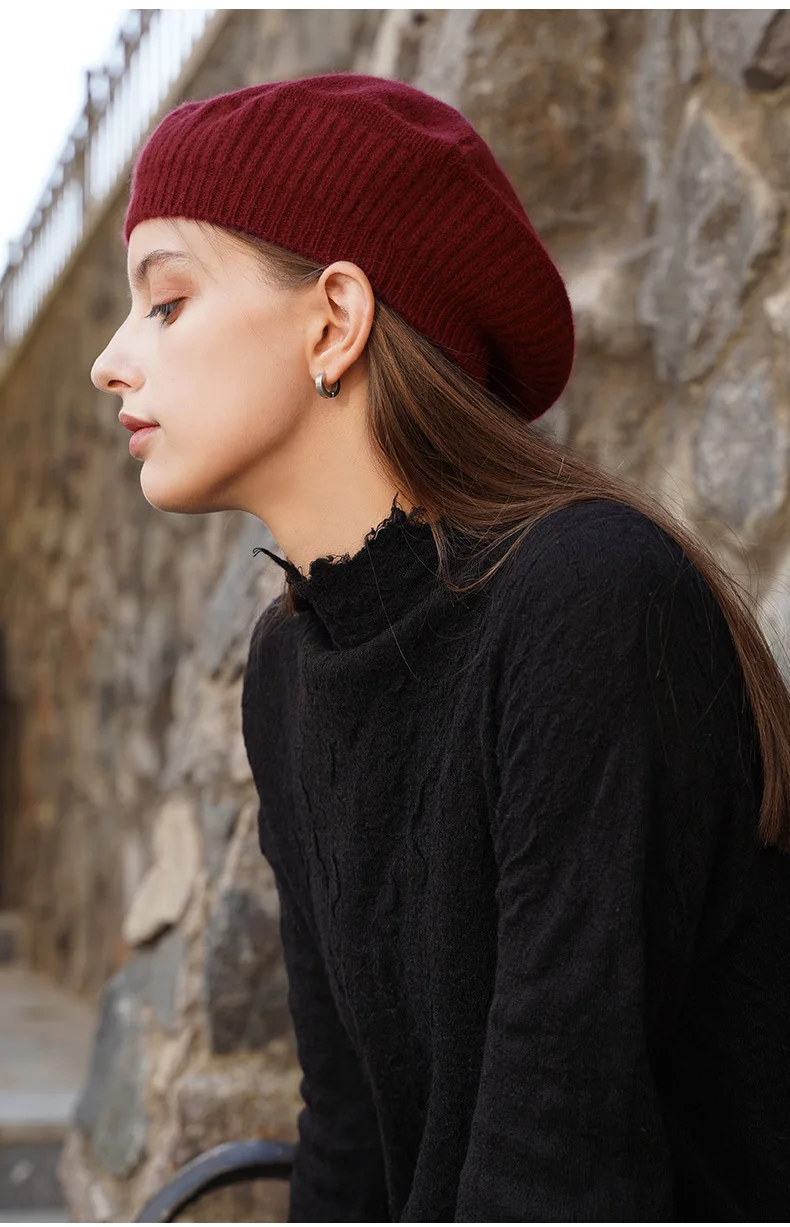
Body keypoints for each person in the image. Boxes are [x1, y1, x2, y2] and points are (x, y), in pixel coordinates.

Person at [90, 73, 790, 1222]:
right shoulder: (291, 671)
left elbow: (557, 1165)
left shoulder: (591, 605)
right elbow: (353, 1141)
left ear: (334, 320)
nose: (111, 361)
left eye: (166, 302)